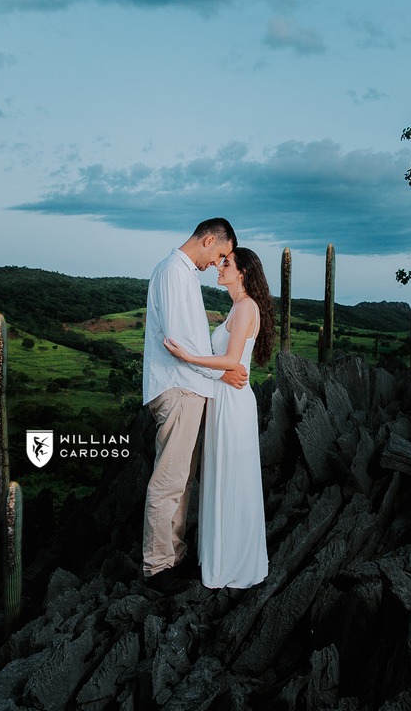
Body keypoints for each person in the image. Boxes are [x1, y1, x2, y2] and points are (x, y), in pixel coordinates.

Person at [141, 218, 248, 594]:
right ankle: (156, 568)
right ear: (207, 240)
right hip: (178, 389)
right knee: (169, 480)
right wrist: (221, 376)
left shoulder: (181, 273)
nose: (216, 263)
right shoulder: (174, 271)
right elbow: (179, 339)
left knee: (182, 480)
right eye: (219, 253)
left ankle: (175, 557)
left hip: (188, 388)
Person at [164, 246, 273, 589]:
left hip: (234, 405)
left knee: (232, 479)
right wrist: (219, 370)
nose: (218, 267)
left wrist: (188, 357)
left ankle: (233, 565)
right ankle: (220, 560)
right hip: (224, 398)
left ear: (241, 272)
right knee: (220, 477)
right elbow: (229, 367)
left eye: (225, 263)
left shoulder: (245, 308)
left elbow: (231, 361)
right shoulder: (237, 307)